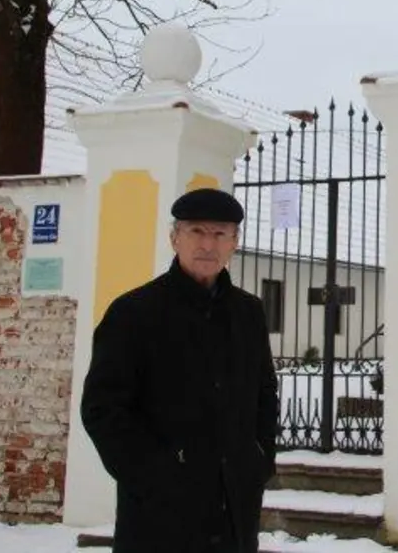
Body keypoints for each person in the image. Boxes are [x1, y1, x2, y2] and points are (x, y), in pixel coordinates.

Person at [81, 187, 278, 553]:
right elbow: (102, 410)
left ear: (235, 242)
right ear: (174, 238)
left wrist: (259, 459)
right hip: (160, 518)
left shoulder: (247, 313)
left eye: (220, 234)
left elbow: (265, 393)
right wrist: (155, 476)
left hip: (234, 511)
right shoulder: (133, 313)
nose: (208, 244)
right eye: (197, 232)